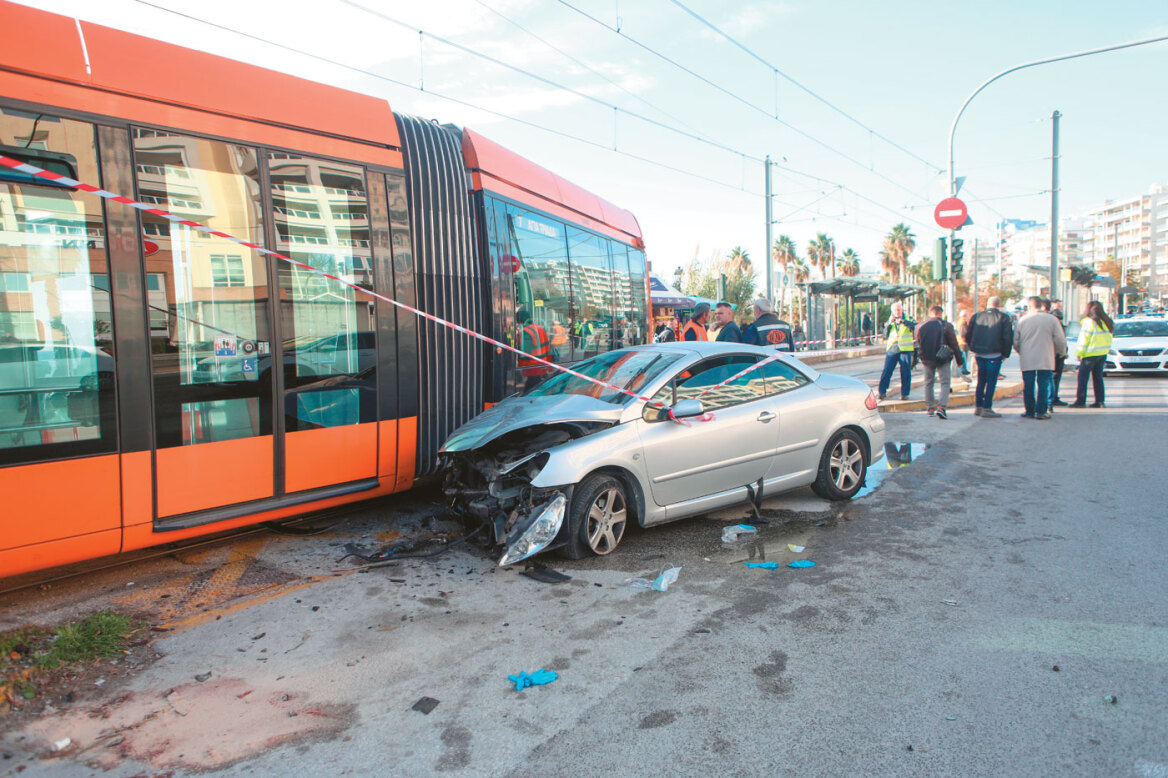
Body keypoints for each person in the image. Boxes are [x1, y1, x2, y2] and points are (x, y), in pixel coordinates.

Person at [1014, 296, 1066, 420]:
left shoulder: (1022, 320)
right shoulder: (1052, 319)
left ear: (1030, 306)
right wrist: (1061, 351)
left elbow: (1016, 341)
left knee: (1028, 385)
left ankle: (1029, 411)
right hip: (1046, 357)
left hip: (1027, 358)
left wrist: (1021, 351)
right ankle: (1041, 411)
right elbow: (1059, 339)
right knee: (1044, 384)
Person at [965, 296, 1014, 418]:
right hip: (995, 353)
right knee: (991, 381)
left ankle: (978, 406)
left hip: (979, 353)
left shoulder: (977, 316)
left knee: (981, 380)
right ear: (999, 305)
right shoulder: (1003, 317)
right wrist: (1005, 354)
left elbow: (968, 334)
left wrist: (973, 348)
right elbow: (1007, 337)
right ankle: (987, 407)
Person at [914, 305, 965, 419]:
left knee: (928, 382)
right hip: (943, 358)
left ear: (930, 313)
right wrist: (959, 360)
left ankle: (930, 407)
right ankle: (941, 407)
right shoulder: (946, 326)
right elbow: (954, 344)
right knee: (945, 382)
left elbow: (919, 342)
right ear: (940, 314)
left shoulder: (921, 326)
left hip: (927, 359)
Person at [1070, 300, 1114, 408]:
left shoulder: (1089, 322)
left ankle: (1080, 401)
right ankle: (1100, 401)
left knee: (1082, 378)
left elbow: (1084, 339)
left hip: (1090, 354)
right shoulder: (1107, 321)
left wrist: (1079, 353)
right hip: (1102, 353)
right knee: (1098, 377)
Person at [877, 301, 916, 401]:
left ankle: (905, 393)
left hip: (905, 349)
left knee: (905, 371)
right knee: (887, 370)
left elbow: (915, 327)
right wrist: (889, 324)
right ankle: (882, 391)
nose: (897, 312)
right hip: (893, 348)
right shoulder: (890, 321)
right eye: (895, 310)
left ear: (902, 309)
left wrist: (904, 322)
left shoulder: (909, 318)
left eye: (899, 310)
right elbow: (885, 334)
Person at [516, 308, 552, 390]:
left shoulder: (525, 331)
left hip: (532, 366)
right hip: (542, 363)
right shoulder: (539, 328)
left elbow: (526, 352)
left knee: (530, 389)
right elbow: (547, 346)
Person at [1046, 299, 1068, 406]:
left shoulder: (1049, 320)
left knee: (1050, 376)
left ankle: (1051, 398)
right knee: (1053, 376)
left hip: (1049, 352)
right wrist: (1062, 351)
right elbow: (1060, 339)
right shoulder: (1055, 322)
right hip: (1056, 353)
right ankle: (1051, 399)